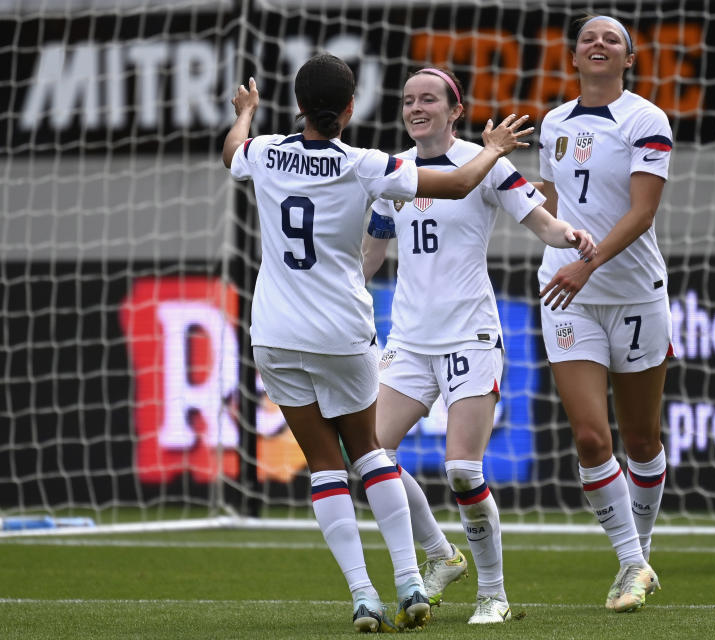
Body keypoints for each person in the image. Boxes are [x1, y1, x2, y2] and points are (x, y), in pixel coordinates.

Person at [221, 53, 533, 632]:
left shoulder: (262, 151)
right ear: (350, 109)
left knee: (324, 466)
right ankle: (412, 582)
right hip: (341, 332)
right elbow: (461, 181)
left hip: (275, 334)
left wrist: (245, 113)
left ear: (296, 107)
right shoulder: (366, 163)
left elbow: (230, 152)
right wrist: (495, 149)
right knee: (369, 454)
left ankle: (364, 596)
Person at [360, 66, 597, 625]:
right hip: (411, 342)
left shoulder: (488, 162)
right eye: (408, 100)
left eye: (428, 100)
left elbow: (541, 223)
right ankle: (441, 555)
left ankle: (494, 593)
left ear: (455, 109)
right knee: (368, 458)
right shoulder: (393, 173)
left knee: (463, 470)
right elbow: (369, 257)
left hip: (470, 335)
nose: (416, 108)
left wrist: (572, 236)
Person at [535, 15, 674, 612]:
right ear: (573, 57)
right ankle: (631, 565)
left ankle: (638, 557)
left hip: (635, 292)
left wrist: (588, 263)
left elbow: (643, 212)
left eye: (611, 38)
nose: (598, 44)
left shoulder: (646, 119)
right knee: (592, 437)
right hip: (567, 292)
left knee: (641, 439)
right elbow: (550, 206)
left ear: (628, 59)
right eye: (589, 38)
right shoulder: (553, 123)